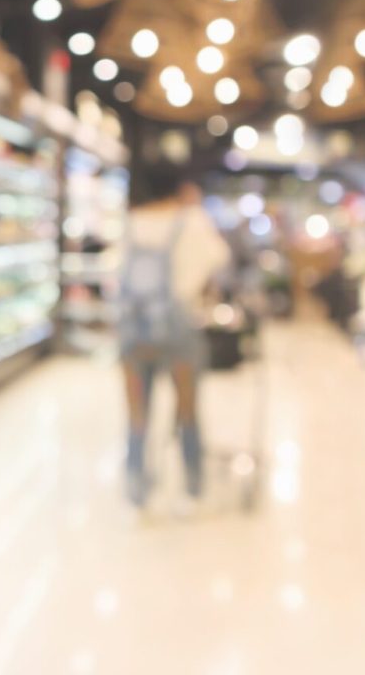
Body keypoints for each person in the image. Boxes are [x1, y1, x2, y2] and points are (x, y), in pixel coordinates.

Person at [118, 161, 230, 506]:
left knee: (137, 415)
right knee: (187, 411)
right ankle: (192, 487)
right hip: (179, 332)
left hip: (134, 333)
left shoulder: (131, 222)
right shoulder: (191, 220)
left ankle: (137, 489)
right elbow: (219, 258)